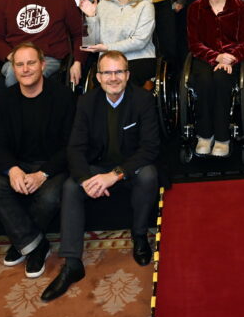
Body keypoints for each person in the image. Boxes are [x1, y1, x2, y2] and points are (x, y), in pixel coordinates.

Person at [41, 51, 160, 302]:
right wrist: (86, 179)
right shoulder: (86, 102)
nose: (113, 78)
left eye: (119, 72)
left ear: (128, 75)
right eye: (107, 72)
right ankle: (72, 263)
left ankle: (139, 235)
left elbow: (150, 148)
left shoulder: (144, 100)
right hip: (98, 166)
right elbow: (75, 147)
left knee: (149, 175)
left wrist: (114, 175)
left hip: (129, 167)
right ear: (97, 77)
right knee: (71, 187)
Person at [0, 43, 75, 279]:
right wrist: (12, 170)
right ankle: (35, 244)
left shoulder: (63, 97)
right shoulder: (4, 100)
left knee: (50, 195)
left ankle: (23, 241)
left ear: (43, 65)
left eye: (31, 63)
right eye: (19, 64)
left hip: (53, 166)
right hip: (18, 163)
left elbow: (71, 145)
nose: (25, 69)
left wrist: (42, 174)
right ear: (12, 68)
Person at [187, 0, 244, 157]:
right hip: (205, 58)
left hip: (232, 60)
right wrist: (216, 57)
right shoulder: (195, 8)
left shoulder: (240, 7)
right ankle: (205, 135)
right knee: (205, 81)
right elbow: (194, 43)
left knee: (222, 80)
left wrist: (229, 59)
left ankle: (223, 137)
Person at [79, 0, 156, 87]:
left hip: (138, 59)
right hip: (109, 61)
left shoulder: (145, 5)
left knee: (126, 82)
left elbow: (140, 41)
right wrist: (91, 16)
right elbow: (92, 42)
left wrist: (107, 47)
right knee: (100, 86)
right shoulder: (103, 3)